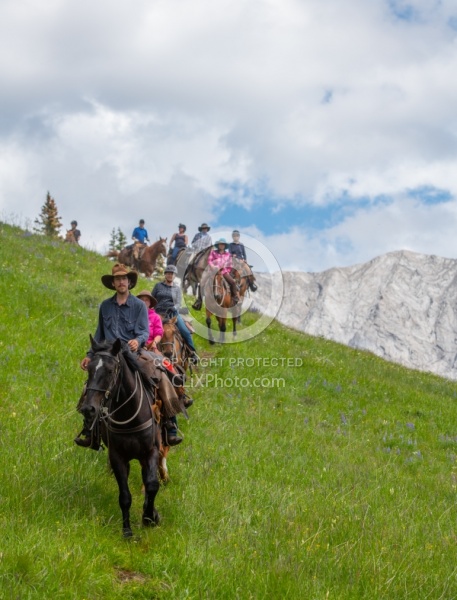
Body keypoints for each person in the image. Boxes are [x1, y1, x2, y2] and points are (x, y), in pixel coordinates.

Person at [75, 263, 150, 447]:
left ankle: (168, 422)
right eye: (118, 279)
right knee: (91, 388)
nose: (121, 282)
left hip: (131, 352)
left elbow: (144, 332)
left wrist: (137, 340)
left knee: (156, 374)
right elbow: (99, 334)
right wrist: (90, 354)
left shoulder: (139, 305)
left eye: (124, 278)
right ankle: (90, 432)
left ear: (129, 282)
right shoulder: (105, 306)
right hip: (108, 354)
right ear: (113, 283)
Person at [151, 265, 199, 363]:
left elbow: (178, 303)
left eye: (172, 274)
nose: (170, 275)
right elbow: (152, 298)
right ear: (165, 275)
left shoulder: (177, 289)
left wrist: (174, 308)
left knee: (184, 331)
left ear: (174, 276)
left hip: (172, 314)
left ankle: (192, 352)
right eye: (168, 273)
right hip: (158, 314)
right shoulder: (158, 286)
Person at [208, 238, 240, 304]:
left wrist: (226, 270)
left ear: (225, 246)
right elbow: (209, 261)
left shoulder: (228, 255)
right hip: (213, 271)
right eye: (220, 244)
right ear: (218, 245)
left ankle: (234, 296)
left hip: (224, 272)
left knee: (233, 282)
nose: (221, 245)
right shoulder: (213, 252)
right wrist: (213, 267)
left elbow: (230, 264)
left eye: (223, 244)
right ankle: (200, 298)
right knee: (203, 280)